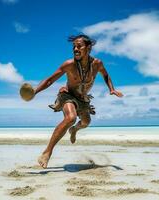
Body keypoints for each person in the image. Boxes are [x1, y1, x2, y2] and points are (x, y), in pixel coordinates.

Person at [34, 34, 123, 168]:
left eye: (79, 46)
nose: (75, 49)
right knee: (71, 117)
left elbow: (106, 75)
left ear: (88, 47)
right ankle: (47, 152)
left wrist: (112, 89)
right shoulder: (69, 65)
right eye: (74, 47)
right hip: (67, 95)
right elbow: (50, 79)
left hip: (83, 99)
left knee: (86, 122)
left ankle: (74, 130)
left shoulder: (97, 63)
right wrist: (34, 92)